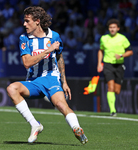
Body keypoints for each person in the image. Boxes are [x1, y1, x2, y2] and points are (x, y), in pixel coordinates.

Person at [7, 6, 88, 145]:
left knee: (61, 105)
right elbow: (26, 63)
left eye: (27, 21)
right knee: (11, 89)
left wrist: (64, 81)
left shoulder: (54, 36)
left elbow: (59, 58)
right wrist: (48, 50)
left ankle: (77, 129)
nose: (24, 24)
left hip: (51, 78)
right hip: (33, 81)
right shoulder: (24, 38)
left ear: (37, 21)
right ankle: (35, 124)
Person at [97, 19, 133, 116]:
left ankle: (113, 108)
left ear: (118, 28)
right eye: (110, 27)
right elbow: (100, 50)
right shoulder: (104, 38)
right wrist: (99, 63)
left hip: (119, 66)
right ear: (108, 29)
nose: (112, 29)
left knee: (117, 90)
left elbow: (130, 51)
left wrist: (121, 55)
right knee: (110, 87)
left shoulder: (123, 38)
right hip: (108, 64)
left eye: (114, 27)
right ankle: (113, 111)